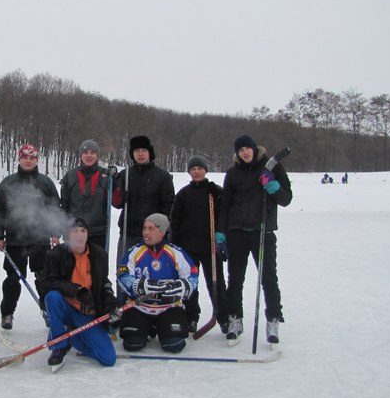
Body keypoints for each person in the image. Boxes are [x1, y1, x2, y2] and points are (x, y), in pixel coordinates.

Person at [216, 135, 293, 345]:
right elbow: (226, 205)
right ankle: (235, 318)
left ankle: (273, 319)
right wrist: (221, 234)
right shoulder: (232, 174)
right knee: (235, 279)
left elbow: (286, 199)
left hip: (263, 232)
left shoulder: (272, 168)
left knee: (268, 278)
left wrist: (272, 185)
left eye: (247, 149)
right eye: (240, 150)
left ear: (254, 149)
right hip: (237, 232)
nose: (245, 153)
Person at [0, 143, 62, 330]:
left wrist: (56, 232)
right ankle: (7, 313)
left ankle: (48, 311)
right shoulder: (8, 182)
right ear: (19, 159)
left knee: (43, 278)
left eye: (32, 158)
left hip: (40, 239)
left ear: (37, 160)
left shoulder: (45, 182)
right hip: (16, 239)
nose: (28, 160)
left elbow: (55, 207)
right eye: (25, 157)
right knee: (13, 279)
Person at [36, 217, 119, 371]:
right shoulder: (57, 254)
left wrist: (111, 305)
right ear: (68, 235)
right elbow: (46, 284)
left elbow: (103, 283)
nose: (80, 235)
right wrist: (76, 291)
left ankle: (71, 336)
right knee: (52, 297)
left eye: (83, 231)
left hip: (87, 312)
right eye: (75, 231)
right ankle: (59, 346)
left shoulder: (99, 254)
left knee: (108, 359)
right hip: (66, 307)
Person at [117, 213, 199, 353]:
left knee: (174, 345)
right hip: (139, 305)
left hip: (168, 306)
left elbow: (192, 274)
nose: (146, 232)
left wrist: (183, 286)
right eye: (144, 228)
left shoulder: (175, 252)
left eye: (151, 228)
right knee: (132, 344)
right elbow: (122, 275)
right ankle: (146, 327)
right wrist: (139, 286)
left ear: (162, 231)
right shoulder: (134, 252)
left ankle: (159, 327)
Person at [169, 156, 228, 334]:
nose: (196, 172)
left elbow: (225, 212)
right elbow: (175, 220)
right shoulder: (183, 194)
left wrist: (222, 239)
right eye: (193, 169)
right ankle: (192, 317)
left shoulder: (215, 191)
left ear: (205, 170)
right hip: (189, 249)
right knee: (190, 286)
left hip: (211, 248)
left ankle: (223, 317)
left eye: (199, 168)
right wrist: (175, 243)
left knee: (216, 284)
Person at [111, 135, 175, 256]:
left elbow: (168, 205)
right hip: (128, 233)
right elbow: (117, 203)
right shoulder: (125, 174)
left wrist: (161, 228)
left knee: (151, 272)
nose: (140, 154)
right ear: (132, 154)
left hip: (153, 234)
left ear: (149, 153)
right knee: (124, 271)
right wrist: (118, 192)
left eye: (143, 150)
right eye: (137, 151)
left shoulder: (162, 176)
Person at [59, 139, 113, 251]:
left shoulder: (106, 176)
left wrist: (116, 179)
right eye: (85, 152)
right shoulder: (70, 176)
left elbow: (117, 201)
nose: (89, 155)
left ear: (97, 156)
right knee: (74, 267)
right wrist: (65, 229)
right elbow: (64, 205)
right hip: (74, 231)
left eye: (93, 152)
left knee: (96, 267)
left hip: (97, 232)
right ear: (80, 156)